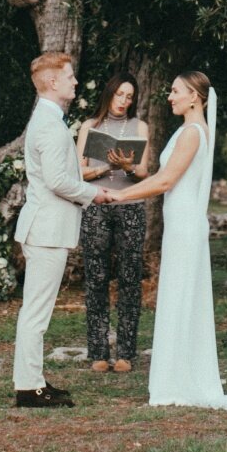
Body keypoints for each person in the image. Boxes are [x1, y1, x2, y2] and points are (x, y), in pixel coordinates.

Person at [107, 70, 227, 410]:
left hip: (185, 227)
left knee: (182, 297)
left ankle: (179, 382)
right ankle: (176, 378)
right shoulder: (188, 131)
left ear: (194, 97)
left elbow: (165, 181)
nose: (169, 97)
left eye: (175, 91)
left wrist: (119, 196)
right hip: (180, 225)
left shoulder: (192, 134)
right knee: (179, 297)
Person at [11, 50, 112, 409]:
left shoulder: (48, 119)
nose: (75, 81)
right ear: (52, 82)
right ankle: (29, 388)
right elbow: (56, 181)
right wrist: (94, 194)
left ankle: (32, 382)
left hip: (46, 229)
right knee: (36, 313)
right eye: (69, 76)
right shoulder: (49, 124)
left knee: (36, 311)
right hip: (46, 230)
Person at [75, 75, 151, 373]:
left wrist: (127, 166)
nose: (123, 101)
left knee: (130, 278)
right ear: (109, 94)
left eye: (129, 96)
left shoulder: (139, 126)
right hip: (96, 206)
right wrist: (105, 167)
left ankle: (126, 353)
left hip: (130, 206)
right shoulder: (89, 126)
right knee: (96, 277)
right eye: (119, 94)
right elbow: (78, 173)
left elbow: (144, 172)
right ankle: (98, 352)